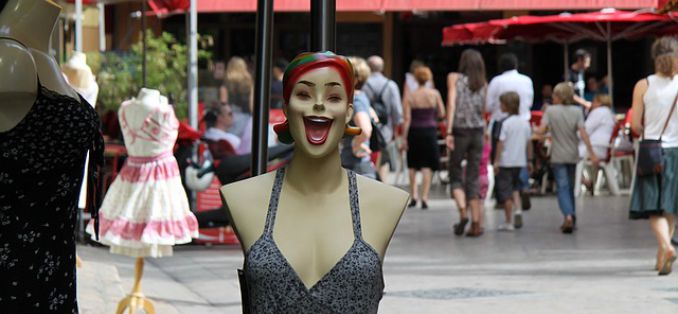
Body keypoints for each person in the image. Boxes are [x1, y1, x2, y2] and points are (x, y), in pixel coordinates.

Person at [220, 51, 408, 313]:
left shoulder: (387, 201)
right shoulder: (242, 198)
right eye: (304, 95)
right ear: (286, 109)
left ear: (348, 111)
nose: (319, 105)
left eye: (333, 97)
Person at [629, 36, 678, 276]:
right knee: (670, 207)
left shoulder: (643, 85)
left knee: (654, 208)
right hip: (677, 151)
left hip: (652, 151)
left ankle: (667, 248)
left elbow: (635, 124)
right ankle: (661, 255)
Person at [534, 82, 598, 234]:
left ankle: (568, 215)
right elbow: (583, 133)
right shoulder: (576, 111)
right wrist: (592, 153)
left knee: (562, 187)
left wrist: (534, 131)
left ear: (558, 97)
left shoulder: (550, 111)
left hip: (558, 154)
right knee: (569, 187)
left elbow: (541, 131)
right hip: (572, 153)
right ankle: (572, 216)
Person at [486, 52, 535, 211]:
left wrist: (496, 161)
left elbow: (488, 104)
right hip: (523, 121)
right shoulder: (527, 80)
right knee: (521, 156)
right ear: (516, 65)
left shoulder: (497, 81)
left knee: (504, 159)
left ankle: (503, 196)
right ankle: (524, 186)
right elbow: (530, 101)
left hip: (502, 122)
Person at [446, 49, 487, 237]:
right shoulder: (483, 83)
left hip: (460, 131)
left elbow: (452, 104)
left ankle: (463, 213)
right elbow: (484, 110)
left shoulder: (454, 78)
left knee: (455, 173)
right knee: (473, 176)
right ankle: (476, 223)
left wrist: (448, 131)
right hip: (478, 132)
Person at [402, 65, 445, 209]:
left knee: (413, 164)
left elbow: (407, 118)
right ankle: (424, 197)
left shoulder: (411, 96)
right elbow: (442, 113)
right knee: (427, 165)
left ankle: (413, 195)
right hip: (429, 131)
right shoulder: (434, 94)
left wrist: (404, 138)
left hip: (414, 131)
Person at [493, 92, 532, 231]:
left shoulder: (504, 123)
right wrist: (530, 160)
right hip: (520, 161)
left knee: (506, 192)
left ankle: (508, 220)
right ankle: (518, 210)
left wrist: (496, 161)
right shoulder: (525, 123)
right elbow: (529, 143)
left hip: (506, 161)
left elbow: (500, 143)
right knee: (516, 188)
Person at [363, 55, 403, 183]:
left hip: (365, 126)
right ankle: (381, 185)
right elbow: (397, 110)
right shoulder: (390, 85)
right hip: (385, 129)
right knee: (383, 159)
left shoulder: (362, 84)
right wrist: (396, 129)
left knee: (367, 155)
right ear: (382, 68)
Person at [341, 56, 376, 178]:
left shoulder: (357, 100)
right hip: (356, 165)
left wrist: (356, 143)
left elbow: (366, 129)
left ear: (355, 79)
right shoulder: (361, 97)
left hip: (356, 167)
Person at [578, 94, 616, 192]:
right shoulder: (610, 113)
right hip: (604, 147)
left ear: (599, 102)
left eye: (594, 102)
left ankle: (583, 181)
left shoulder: (598, 112)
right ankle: (585, 181)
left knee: (566, 154)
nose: (592, 104)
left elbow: (585, 130)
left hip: (595, 147)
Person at [219, 56, 253, 137]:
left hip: (231, 117)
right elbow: (252, 103)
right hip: (246, 117)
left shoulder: (226, 82)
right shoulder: (249, 82)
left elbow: (223, 103)